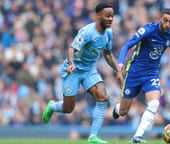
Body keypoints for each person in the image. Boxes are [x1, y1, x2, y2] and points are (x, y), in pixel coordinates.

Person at [42, 2, 123, 144]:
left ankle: (93, 137)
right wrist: (72, 63)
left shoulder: (109, 33)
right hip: (73, 70)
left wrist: (118, 70)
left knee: (103, 97)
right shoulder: (87, 32)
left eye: (112, 16)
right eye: (107, 16)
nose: (110, 19)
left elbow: (108, 54)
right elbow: (72, 49)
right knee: (68, 108)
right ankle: (52, 106)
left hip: (89, 70)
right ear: (98, 16)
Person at [112, 8, 170, 143]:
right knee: (124, 111)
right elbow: (128, 44)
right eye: (165, 20)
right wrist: (120, 63)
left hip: (151, 73)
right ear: (160, 18)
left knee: (154, 103)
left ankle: (137, 137)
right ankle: (118, 108)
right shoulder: (148, 30)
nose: (167, 24)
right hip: (134, 72)